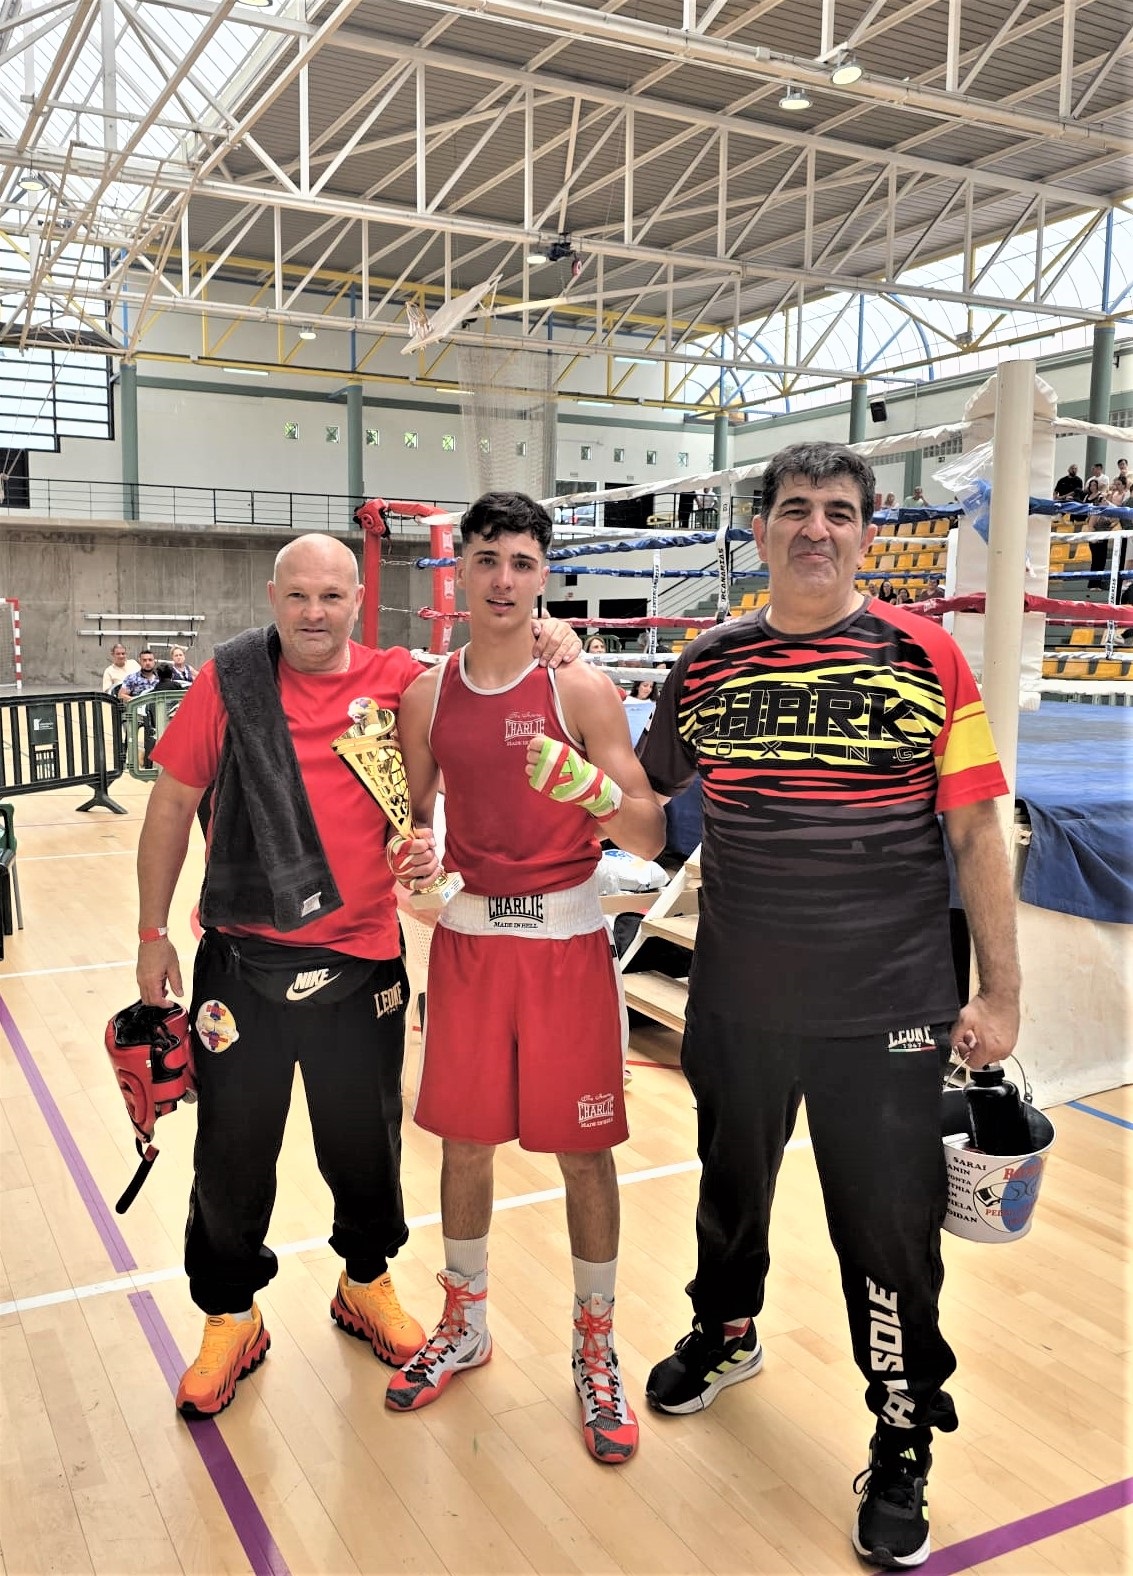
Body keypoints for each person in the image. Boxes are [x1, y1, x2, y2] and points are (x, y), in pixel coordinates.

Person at [638, 441, 1020, 1569]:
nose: (816, 527)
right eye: (795, 508)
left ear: (865, 533)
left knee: (887, 1229)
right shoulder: (705, 662)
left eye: (839, 511)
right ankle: (725, 1329)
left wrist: (999, 990)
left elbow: (974, 829)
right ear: (759, 529)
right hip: (739, 993)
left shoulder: (928, 655)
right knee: (729, 1186)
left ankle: (901, 1431)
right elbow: (643, 794)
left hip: (886, 1001)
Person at [134, 533, 580, 1420]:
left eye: (331, 596)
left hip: (362, 961)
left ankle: (364, 1282)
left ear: (357, 603)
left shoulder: (401, 679)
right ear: (273, 598)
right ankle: (230, 1315)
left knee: (365, 1145)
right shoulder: (229, 681)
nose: (314, 613)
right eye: (298, 596)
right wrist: (151, 933)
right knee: (230, 1152)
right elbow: (174, 803)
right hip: (241, 962)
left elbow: (487, 673)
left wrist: (549, 634)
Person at [381, 491, 665, 1464]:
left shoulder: (580, 689)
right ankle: (464, 1323)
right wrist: (413, 858)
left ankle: (595, 1345)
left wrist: (585, 787)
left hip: (566, 948)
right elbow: (411, 825)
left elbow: (647, 832)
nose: (503, 580)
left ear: (545, 575)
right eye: (487, 559)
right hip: (469, 944)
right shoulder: (427, 696)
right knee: (464, 1145)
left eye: (522, 562)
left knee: (583, 1153)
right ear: (458, 568)